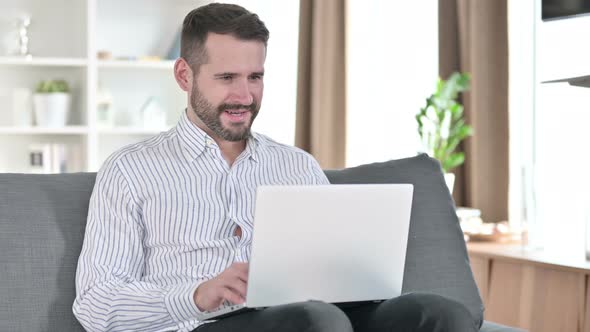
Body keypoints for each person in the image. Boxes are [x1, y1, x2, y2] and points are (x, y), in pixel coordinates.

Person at [73, 3, 478, 332]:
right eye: (227, 77)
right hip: (203, 324)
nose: (244, 95)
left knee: (440, 314)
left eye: (255, 77)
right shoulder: (130, 170)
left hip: (318, 315)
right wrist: (197, 294)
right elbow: (94, 305)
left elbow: (336, 268)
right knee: (316, 321)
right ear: (185, 75)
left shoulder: (297, 165)